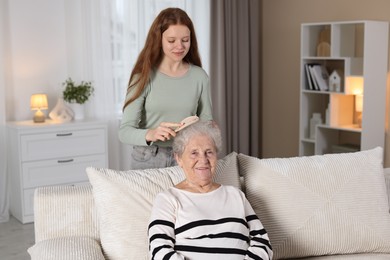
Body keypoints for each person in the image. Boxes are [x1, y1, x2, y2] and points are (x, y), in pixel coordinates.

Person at [148, 121, 273, 260]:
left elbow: (262, 242)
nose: (203, 160)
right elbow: (159, 249)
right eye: (194, 153)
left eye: (209, 152)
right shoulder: (168, 199)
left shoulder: (235, 195)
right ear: (179, 159)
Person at [118, 7, 213, 170]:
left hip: (185, 155)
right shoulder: (143, 77)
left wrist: (209, 129)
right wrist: (151, 133)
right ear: (159, 40)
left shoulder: (199, 77)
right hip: (148, 157)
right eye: (171, 41)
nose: (180, 46)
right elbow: (124, 132)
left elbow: (206, 123)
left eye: (185, 40)